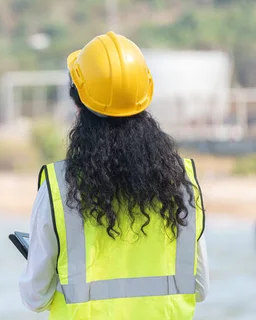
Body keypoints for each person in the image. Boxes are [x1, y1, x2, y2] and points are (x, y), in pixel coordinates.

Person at [19, 32, 209, 319]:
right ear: (145, 98)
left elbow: (36, 297)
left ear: (78, 104)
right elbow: (200, 287)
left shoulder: (59, 188)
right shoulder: (182, 184)